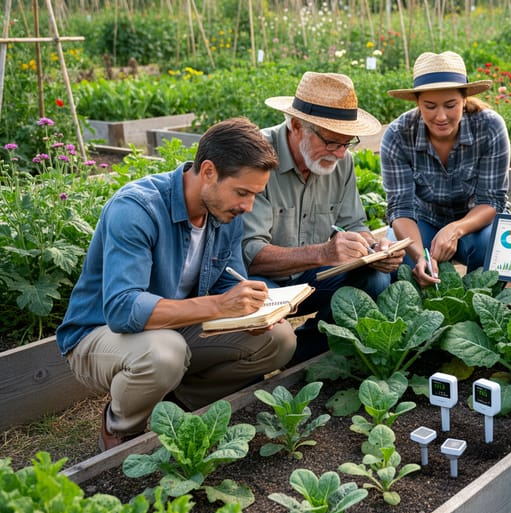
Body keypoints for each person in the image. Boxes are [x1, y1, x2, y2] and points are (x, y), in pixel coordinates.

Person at [56, 117, 296, 451]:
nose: (247, 206)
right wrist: (219, 305)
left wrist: (255, 314)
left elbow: (229, 280)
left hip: (175, 328)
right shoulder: (137, 209)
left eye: (255, 195)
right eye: (242, 192)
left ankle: (174, 410)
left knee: (279, 340)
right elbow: (122, 309)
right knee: (165, 353)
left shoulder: (226, 214)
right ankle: (121, 427)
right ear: (208, 171)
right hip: (99, 335)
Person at [242, 72, 403, 364]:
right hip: (261, 280)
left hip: (311, 277)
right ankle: (267, 366)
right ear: (295, 126)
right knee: (260, 309)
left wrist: (372, 248)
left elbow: (353, 223)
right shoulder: (258, 158)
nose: (340, 154)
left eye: (347, 143)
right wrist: (324, 252)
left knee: (376, 279)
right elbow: (250, 255)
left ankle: (303, 357)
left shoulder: (343, 163)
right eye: (331, 143)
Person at [381, 51, 510, 287]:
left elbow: (492, 201)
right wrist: (420, 256)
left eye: (451, 105)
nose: (441, 116)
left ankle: (482, 308)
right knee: (396, 254)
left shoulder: (489, 127)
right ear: (418, 103)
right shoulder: (398, 135)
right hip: (424, 221)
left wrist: (456, 228)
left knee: (494, 245)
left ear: (464, 100)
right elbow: (401, 209)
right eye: (429, 106)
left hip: (477, 224)